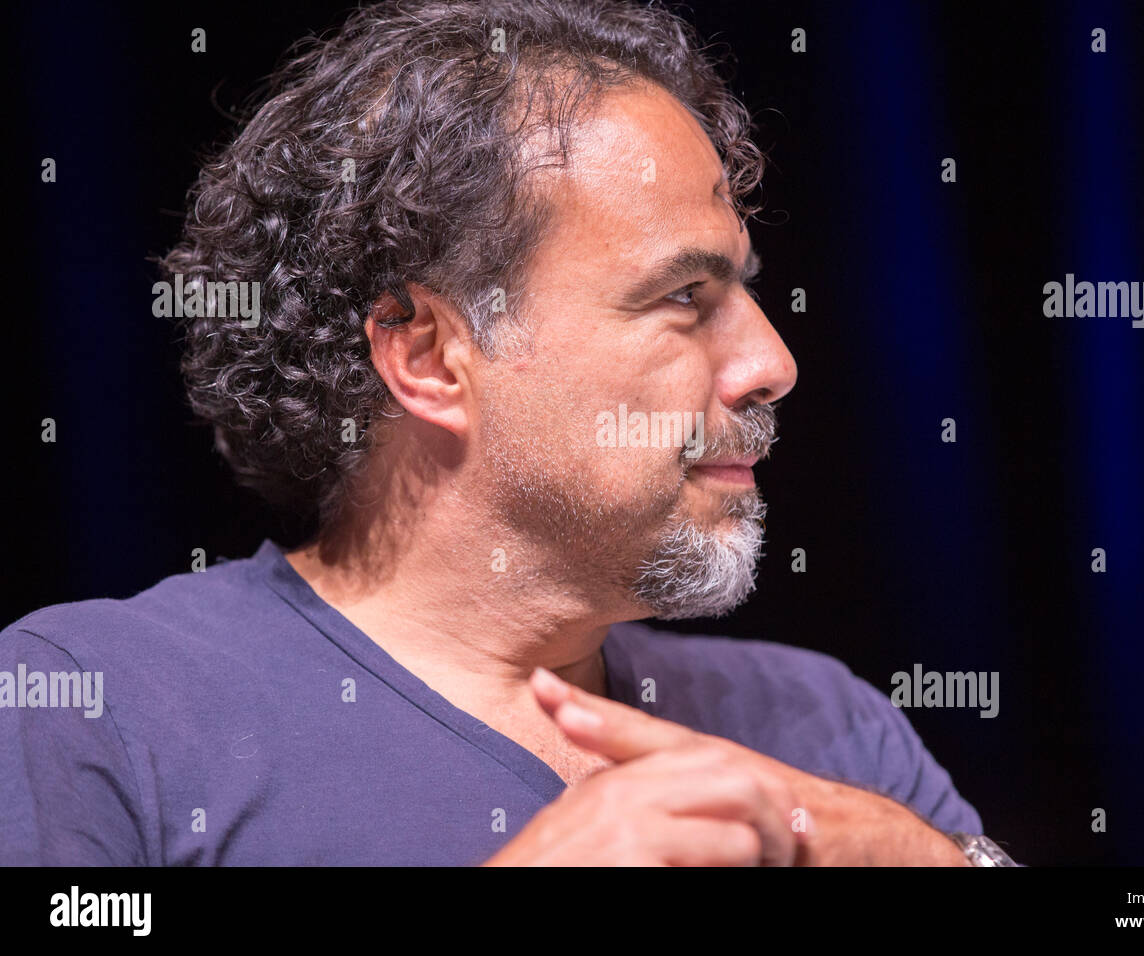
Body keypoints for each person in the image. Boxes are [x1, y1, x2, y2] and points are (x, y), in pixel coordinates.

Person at [0, 0, 992, 866]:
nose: (772, 361)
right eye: (687, 295)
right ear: (430, 356)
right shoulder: (94, 704)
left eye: (746, 288)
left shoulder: (822, 724)